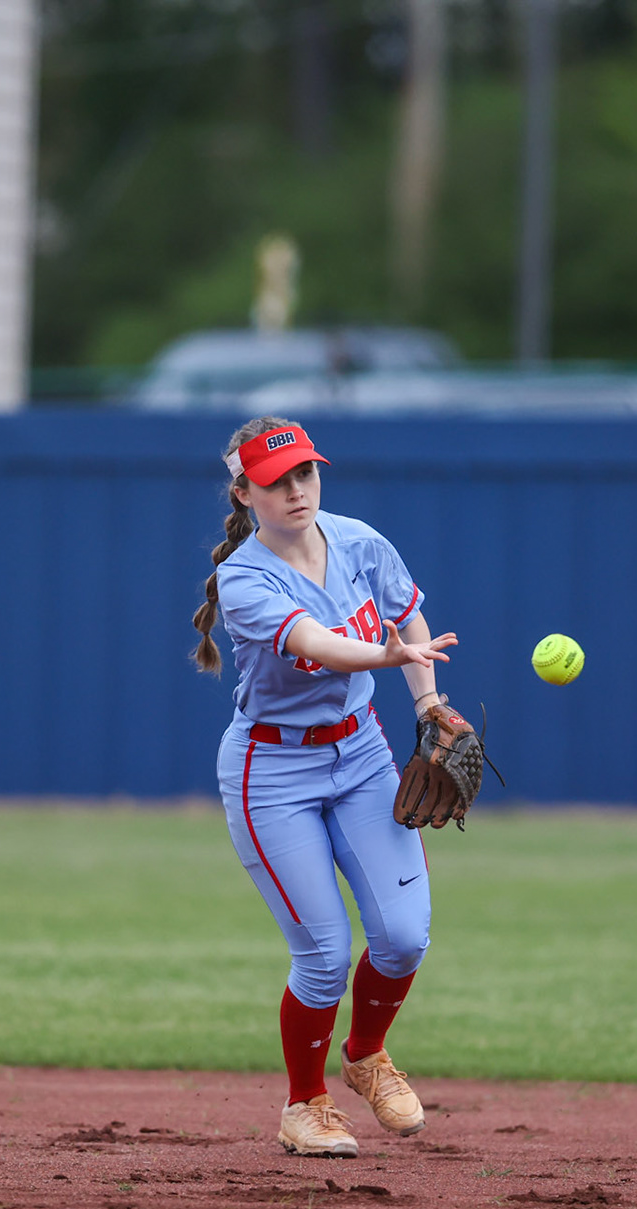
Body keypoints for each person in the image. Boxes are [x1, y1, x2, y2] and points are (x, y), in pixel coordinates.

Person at [191, 417, 461, 1157]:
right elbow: (317, 644)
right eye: (276, 482)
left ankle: (367, 1057)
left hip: (362, 756)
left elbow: (410, 618)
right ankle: (304, 1105)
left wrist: (428, 705)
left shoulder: (360, 541)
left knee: (404, 937)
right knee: (323, 954)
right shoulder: (245, 578)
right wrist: (384, 655)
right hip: (271, 772)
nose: (295, 491)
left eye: (305, 473)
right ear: (245, 492)